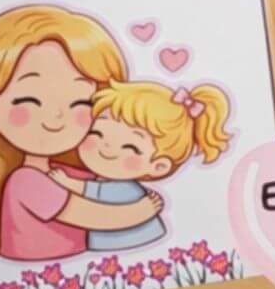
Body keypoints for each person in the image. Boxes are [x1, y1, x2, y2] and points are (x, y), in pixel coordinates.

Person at [0, 5, 163, 264]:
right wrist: (142, 210)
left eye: (81, 103)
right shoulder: (26, 181)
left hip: (78, 268)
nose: (57, 116)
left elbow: (104, 188)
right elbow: (93, 216)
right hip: (39, 273)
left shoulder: (64, 172)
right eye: (31, 101)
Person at [49, 78, 232, 250]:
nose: (105, 146)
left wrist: (66, 181)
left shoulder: (126, 189)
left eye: (129, 147)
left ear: (158, 166)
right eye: (96, 133)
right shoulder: (104, 179)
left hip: (124, 244)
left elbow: (91, 191)